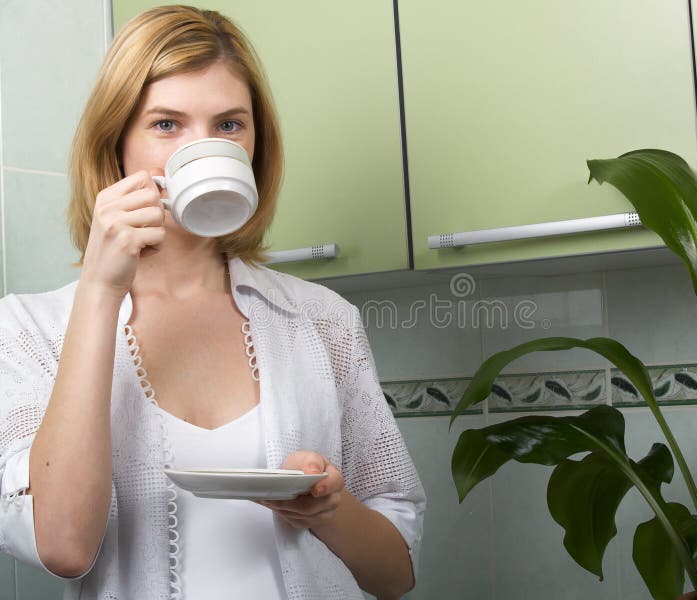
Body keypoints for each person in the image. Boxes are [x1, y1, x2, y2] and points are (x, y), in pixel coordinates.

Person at [0, 5, 425, 600]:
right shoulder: (27, 329)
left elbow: (396, 574)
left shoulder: (325, 320)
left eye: (228, 125)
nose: (203, 149)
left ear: (255, 146)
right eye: (167, 124)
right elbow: (65, 549)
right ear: (116, 143)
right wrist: (100, 292)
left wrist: (329, 511)